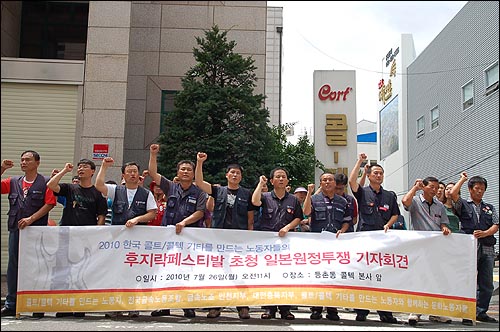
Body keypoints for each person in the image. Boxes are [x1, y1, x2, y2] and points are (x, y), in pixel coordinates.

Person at [148, 144, 207, 318]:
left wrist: (184, 222)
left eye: (189, 169)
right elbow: (153, 173)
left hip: (189, 237)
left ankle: (187, 306)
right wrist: (153, 154)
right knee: (165, 270)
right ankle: (164, 305)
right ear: (178, 172)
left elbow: (200, 212)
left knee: (186, 271)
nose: (186, 172)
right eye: (183, 169)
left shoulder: (199, 192)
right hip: (168, 237)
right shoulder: (170, 187)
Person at [95, 157, 157, 318]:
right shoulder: (116, 190)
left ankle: (133, 305)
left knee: (135, 271)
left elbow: (152, 213)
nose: (132, 174)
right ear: (123, 175)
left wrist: (137, 219)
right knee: (117, 271)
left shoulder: (146, 193)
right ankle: (116, 306)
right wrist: (104, 166)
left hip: (138, 240)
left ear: (138, 175)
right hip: (119, 240)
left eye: (135, 172)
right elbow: (99, 185)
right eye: (129, 172)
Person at [195, 152, 254, 319]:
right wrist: (199, 162)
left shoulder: (247, 194)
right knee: (219, 272)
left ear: (241, 177)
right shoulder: (217, 190)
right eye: (232, 172)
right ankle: (215, 305)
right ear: (227, 175)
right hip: (218, 237)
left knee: (240, 272)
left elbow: (250, 219)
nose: (235, 175)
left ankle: (243, 306)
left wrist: (248, 238)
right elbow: (199, 182)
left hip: (239, 239)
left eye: (238, 173)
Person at [47, 159, 108, 318]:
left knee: (82, 273)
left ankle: (80, 305)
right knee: (64, 272)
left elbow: (101, 215)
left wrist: (96, 233)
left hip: (85, 239)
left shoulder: (97, 194)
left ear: (92, 172)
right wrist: (64, 171)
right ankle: (64, 306)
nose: (81, 169)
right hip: (66, 236)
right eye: (79, 167)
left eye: (85, 167)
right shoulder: (70, 188)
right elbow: (51, 186)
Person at [1, 151, 56, 318]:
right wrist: (2, 168)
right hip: (16, 229)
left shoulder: (46, 182)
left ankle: (37, 304)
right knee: (14, 266)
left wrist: (32, 218)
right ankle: (11, 303)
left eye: (28, 160)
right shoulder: (13, 181)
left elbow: (50, 203)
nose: (24, 162)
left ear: (37, 163)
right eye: (22, 160)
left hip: (37, 230)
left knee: (37, 265)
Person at [348, 153, 399, 324]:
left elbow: (395, 214)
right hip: (364, 240)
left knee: (384, 276)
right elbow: (352, 182)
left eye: (381, 173)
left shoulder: (390, 196)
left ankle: (385, 312)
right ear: (369, 176)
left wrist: (388, 225)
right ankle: (362, 311)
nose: (378, 175)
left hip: (383, 242)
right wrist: (360, 162)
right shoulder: (363, 193)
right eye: (375, 173)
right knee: (363, 275)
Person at [252, 167, 303, 320]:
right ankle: (269, 308)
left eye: (284, 177)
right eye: (278, 177)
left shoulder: (293, 199)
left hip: (286, 244)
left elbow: (298, 217)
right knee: (269, 276)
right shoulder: (265, 197)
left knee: (285, 276)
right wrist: (260, 184)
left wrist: (287, 227)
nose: (281, 179)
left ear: (287, 181)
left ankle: (285, 309)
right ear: (272, 180)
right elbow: (255, 201)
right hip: (267, 244)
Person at [402, 176, 452, 326]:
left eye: (437, 188)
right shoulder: (416, 201)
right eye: (431, 187)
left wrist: (444, 228)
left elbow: (444, 223)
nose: (435, 190)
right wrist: (415, 188)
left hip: (436, 247)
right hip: (419, 246)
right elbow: (405, 202)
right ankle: (415, 312)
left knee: (436, 278)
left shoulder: (440, 205)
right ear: (424, 187)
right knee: (420, 278)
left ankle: (436, 313)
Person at [451, 172, 499, 325]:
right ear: (470, 190)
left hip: (487, 248)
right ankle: (466, 312)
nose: (479, 191)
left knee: (486, 283)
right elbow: (452, 193)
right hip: (468, 248)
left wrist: (485, 233)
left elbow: (496, 225)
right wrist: (463, 180)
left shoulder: (489, 208)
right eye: (477, 188)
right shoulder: (463, 204)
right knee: (468, 281)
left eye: (482, 189)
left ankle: (481, 312)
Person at [302, 173, 351, 321]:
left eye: (330, 180)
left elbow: (347, 220)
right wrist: (309, 193)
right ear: (320, 183)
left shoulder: (343, 201)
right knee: (318, 277)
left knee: (334, 277)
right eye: (324, 180)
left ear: (335, 183)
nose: (327, 182)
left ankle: (332, 309)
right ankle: (316, 308)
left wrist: (342, 230)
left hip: (336, 247)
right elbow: (306, 212)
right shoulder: (314, 199)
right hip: (318, 246)